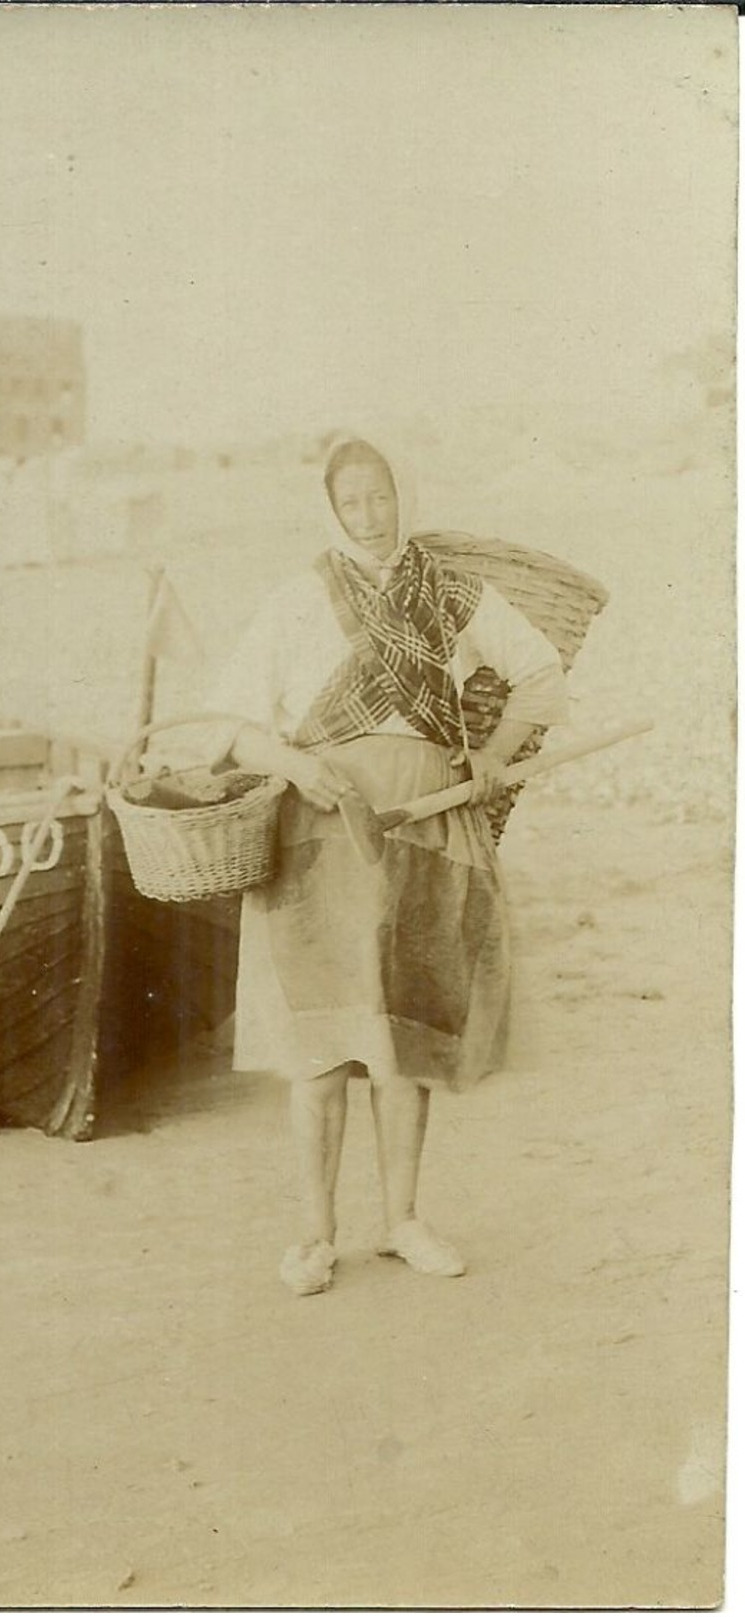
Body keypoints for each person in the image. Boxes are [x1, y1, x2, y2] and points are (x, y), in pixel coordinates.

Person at [207, 435, 569, 1296]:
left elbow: (540, 674)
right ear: (330, 508)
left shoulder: (451, 593)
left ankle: (403, 1219)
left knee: (403, 1040)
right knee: (324, 1046)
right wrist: (300, 767)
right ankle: (314, 1234)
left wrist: (495, 752)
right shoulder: (297, 600)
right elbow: (227, 721)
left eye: (382, 497)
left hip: (427, 833)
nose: (370, 517)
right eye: (353, 502)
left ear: (406, 495)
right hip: (320, 837)